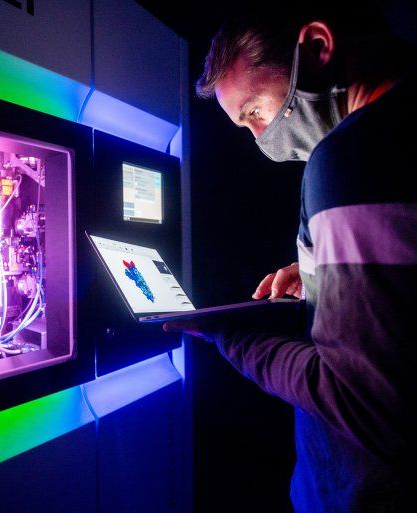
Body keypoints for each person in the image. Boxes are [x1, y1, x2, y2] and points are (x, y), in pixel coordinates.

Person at [165, 8, 417, 513]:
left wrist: (232, 336)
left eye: (254, 111)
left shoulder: (348, 158)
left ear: (318, 48)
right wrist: (325, 274)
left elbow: (363, 405)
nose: (259, 138)